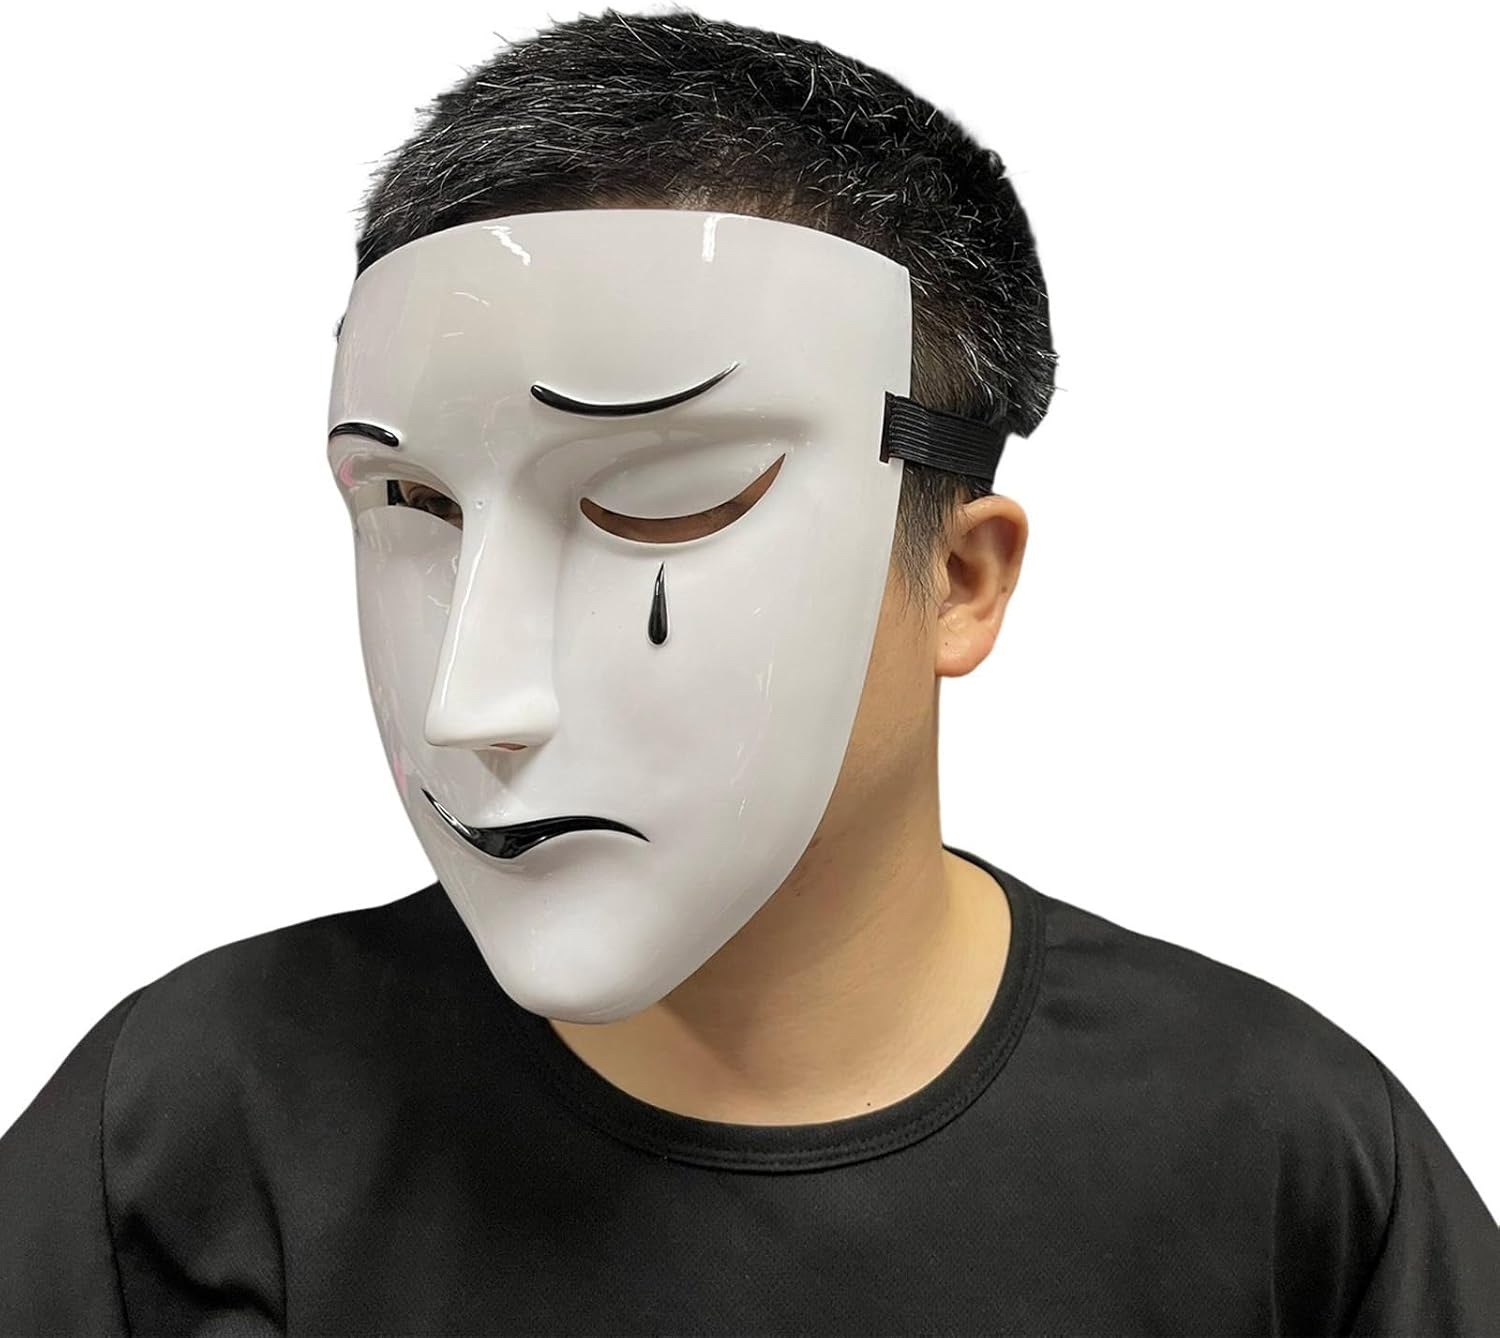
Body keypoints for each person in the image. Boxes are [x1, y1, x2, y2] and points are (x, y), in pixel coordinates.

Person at [2, 8, 1496, 1335]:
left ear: (962, 579)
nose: (472, 699)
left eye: (659, 502)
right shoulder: (186, 1136)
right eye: (409, 504)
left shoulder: (1282, 1165)